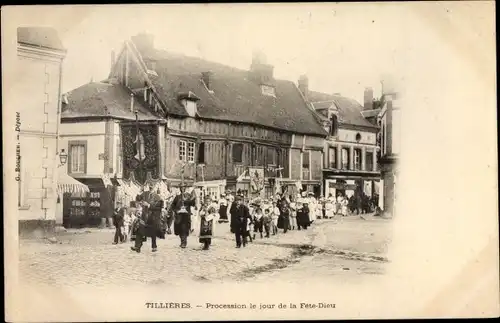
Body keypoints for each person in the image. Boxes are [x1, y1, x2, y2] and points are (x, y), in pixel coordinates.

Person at [131, 187, 165, 253]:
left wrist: (149, 205)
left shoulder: (158, 197)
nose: (150, 187)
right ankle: (137, 246)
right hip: (144, 216)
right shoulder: (145, 193)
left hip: (153, 217)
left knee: (153, 232)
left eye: (152, 185)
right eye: (150, 185)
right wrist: (139, 192)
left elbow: (159, 207)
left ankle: (154, 246)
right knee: (139, 229)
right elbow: (138, 199)